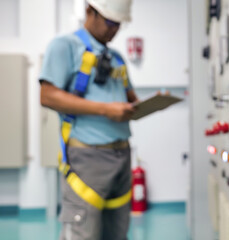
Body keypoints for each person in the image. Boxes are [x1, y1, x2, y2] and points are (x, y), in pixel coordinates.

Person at [39, 0, 136, 239]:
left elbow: (129, 98)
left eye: (119, 25)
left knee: (117, 232)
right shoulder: (65, 46)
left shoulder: (117, 58)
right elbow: (48, 95)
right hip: (87, 159)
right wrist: (105, 109)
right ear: (89, 11)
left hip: (121, 157)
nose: (114, 30)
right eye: (111, 22)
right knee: (84, 232)